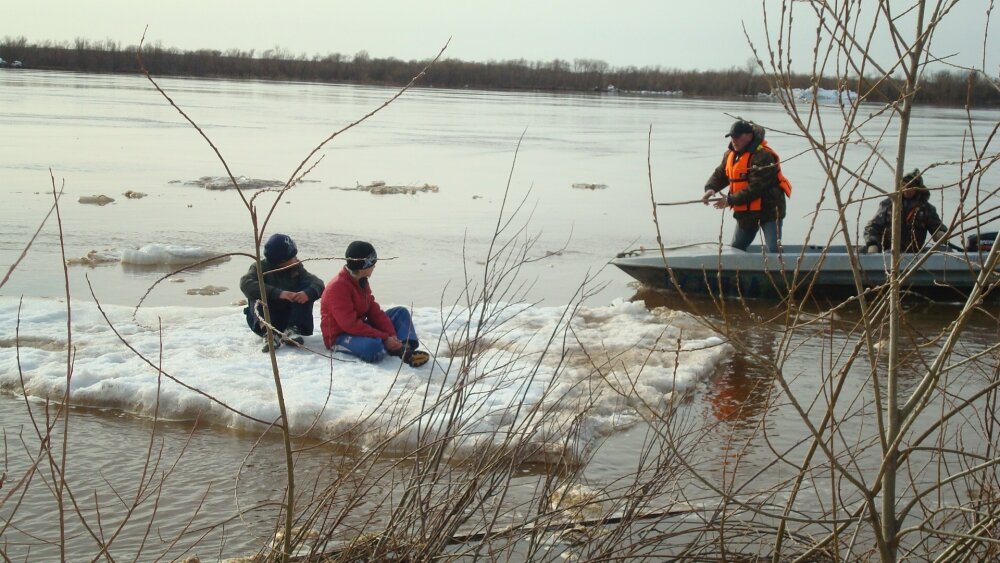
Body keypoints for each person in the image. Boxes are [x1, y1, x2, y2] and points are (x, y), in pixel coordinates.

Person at [320, 241, 430, 367]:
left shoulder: (361, 281)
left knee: (400, 312)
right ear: (364, 266)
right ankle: (391, 347)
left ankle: (404, 349)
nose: (374, 267)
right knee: (373, 347)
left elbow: (373, 311)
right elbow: (350, 325)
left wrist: (391, 334)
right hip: (340, 336)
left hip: (359, 326)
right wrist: (385, 338)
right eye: (373, 263)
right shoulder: (338, 287)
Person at [702, 119, 792, 252]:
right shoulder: (729, 155)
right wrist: (711, 188)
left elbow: (757, 187)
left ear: (749, 136)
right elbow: (720, 174)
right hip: (746, 213)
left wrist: (730, 200)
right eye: (732, 136)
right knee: (737, 249)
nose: (734, 140)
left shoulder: (764, 156)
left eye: (737, 137)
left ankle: (782, 270)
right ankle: (736, 272)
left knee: (773, 250)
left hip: (770, 211)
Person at [240, 233, 325, 352]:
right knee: (255, 295)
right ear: (281, 261)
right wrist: (278, 293)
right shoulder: (259, 268)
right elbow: (245, 283)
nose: (296, 259)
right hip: (267, 317)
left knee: (306, 288)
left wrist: (307, 293)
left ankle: (292, 330)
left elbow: (317, 283)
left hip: (289, 317)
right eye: (293, 257)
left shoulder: (296, 268)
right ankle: (269, 334)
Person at [863, 169, 946, 253]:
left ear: (918, 189)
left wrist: (940, 234)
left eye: (910, 187)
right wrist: (872, 243)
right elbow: (872, 227)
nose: (906, 189)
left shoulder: (926, 209)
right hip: (887, 253)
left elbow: (937, 227)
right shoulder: (889, 204)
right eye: (904, 185)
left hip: (914, 254)